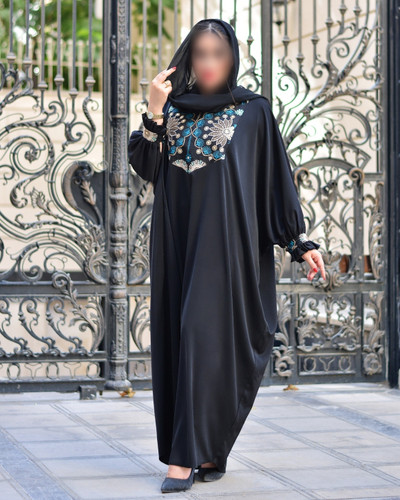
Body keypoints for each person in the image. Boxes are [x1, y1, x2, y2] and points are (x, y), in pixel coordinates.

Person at [128, 18, 326, 494]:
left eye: (219, 54)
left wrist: (298, 243)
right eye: (201, 54)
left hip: (228, 249)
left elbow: (272, 182)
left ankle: (186, 458)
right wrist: (154, 112)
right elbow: (147, 166)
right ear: (188, 58)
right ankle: (203, 451)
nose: (210, 63)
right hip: (178, 245)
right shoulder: (172, 109)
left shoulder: (253, 111)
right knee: (184, 342)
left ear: (233, 57)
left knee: (205, 339)